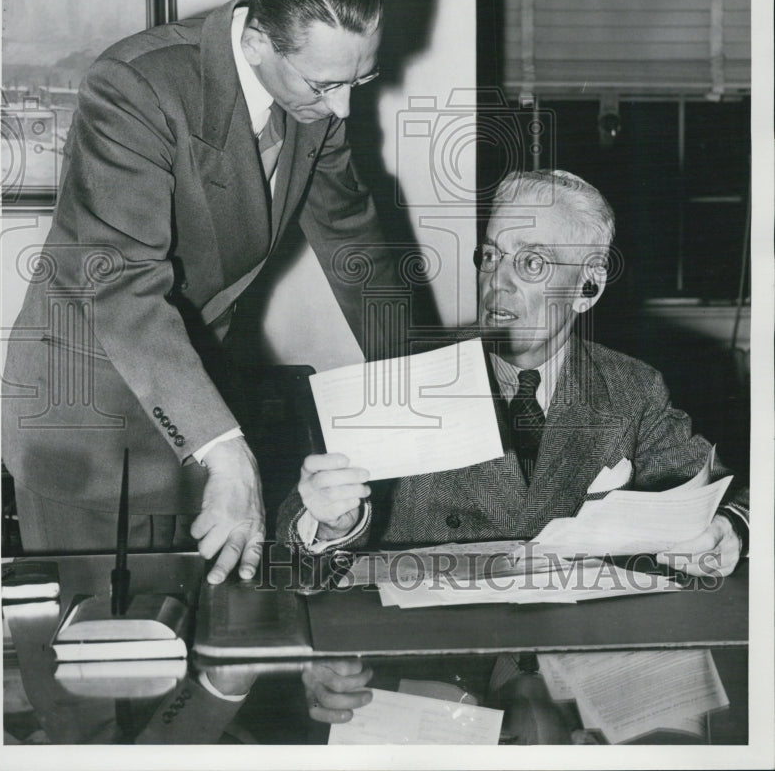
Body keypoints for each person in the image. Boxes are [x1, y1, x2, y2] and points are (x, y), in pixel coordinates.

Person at [2, 0, 398, 583]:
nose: (342, 108)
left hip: (195, 401)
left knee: (206, 628)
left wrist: (420, 378)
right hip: (84, 413)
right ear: (257, 42)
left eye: (359, 81)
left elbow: (355, 239)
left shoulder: (317, 97)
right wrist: (224, 450)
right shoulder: (138, 85)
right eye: (326, 85)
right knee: (100, 650)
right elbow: (121, 284)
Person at [279, 169, 748, 576]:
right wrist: (329, 522)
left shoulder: (632, 390)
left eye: (531, 262)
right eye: (490, 256)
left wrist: (728, 530)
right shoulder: (408, 374)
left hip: (568, 648)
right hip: (441, 656)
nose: (497, 281)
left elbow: (725, 491)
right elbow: (298, 527)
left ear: (588, 287)